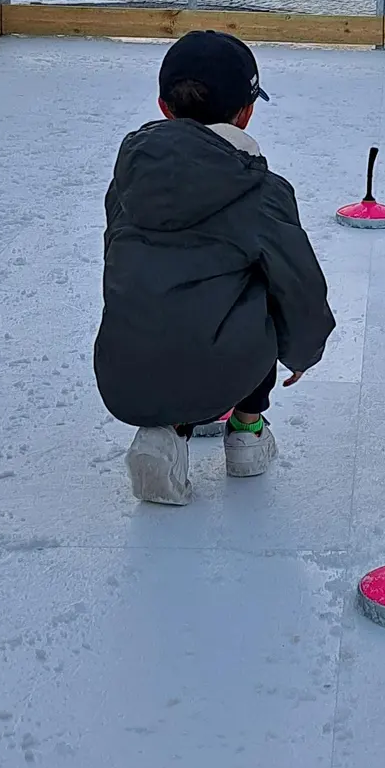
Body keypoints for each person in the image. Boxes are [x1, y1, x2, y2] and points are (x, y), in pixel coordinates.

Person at [94, 30, 336, 505]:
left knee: (164, 288)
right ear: (246, 112)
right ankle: (247, 429)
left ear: (163, 107)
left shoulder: (128, 180)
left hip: (123, 370)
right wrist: (304, 352)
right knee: (261, 289)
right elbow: (298, 285)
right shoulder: (261, 192)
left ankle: (163, 432)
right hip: (225, 369)